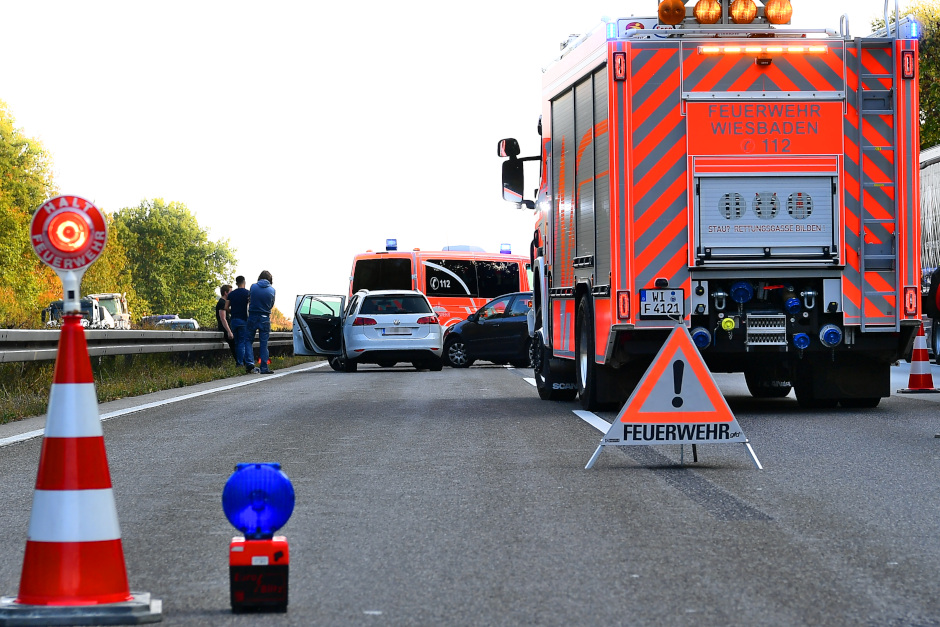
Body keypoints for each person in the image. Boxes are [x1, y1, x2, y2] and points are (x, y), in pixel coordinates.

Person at [246, 270, 276, 374]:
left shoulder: (253, 286)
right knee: (264, 343)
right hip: (265, 317)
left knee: (248, 340)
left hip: (253, 316)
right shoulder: (272, 290)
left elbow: (250, 299)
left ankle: (250, 363)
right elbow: (271, 304)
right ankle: (264, 367)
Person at [227, 275, 252, 371]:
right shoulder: (247, 293)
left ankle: (239, 361)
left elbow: (226, 307)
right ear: (244, 282)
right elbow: (250, 306)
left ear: (236, 283)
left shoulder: (231, 294)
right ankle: (240, 363)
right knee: (242, 342)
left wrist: (232, 312)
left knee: (237, 342)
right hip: (243, 320)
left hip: (234, 320)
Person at [215, 284, 235, 360]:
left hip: (227, 328)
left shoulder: (225, 303)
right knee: (234, 346)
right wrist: (229, 331)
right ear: (226, 293)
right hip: (225, 329)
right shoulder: (222, 303)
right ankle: (240, 364)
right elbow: (223, 318)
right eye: (230, 292)